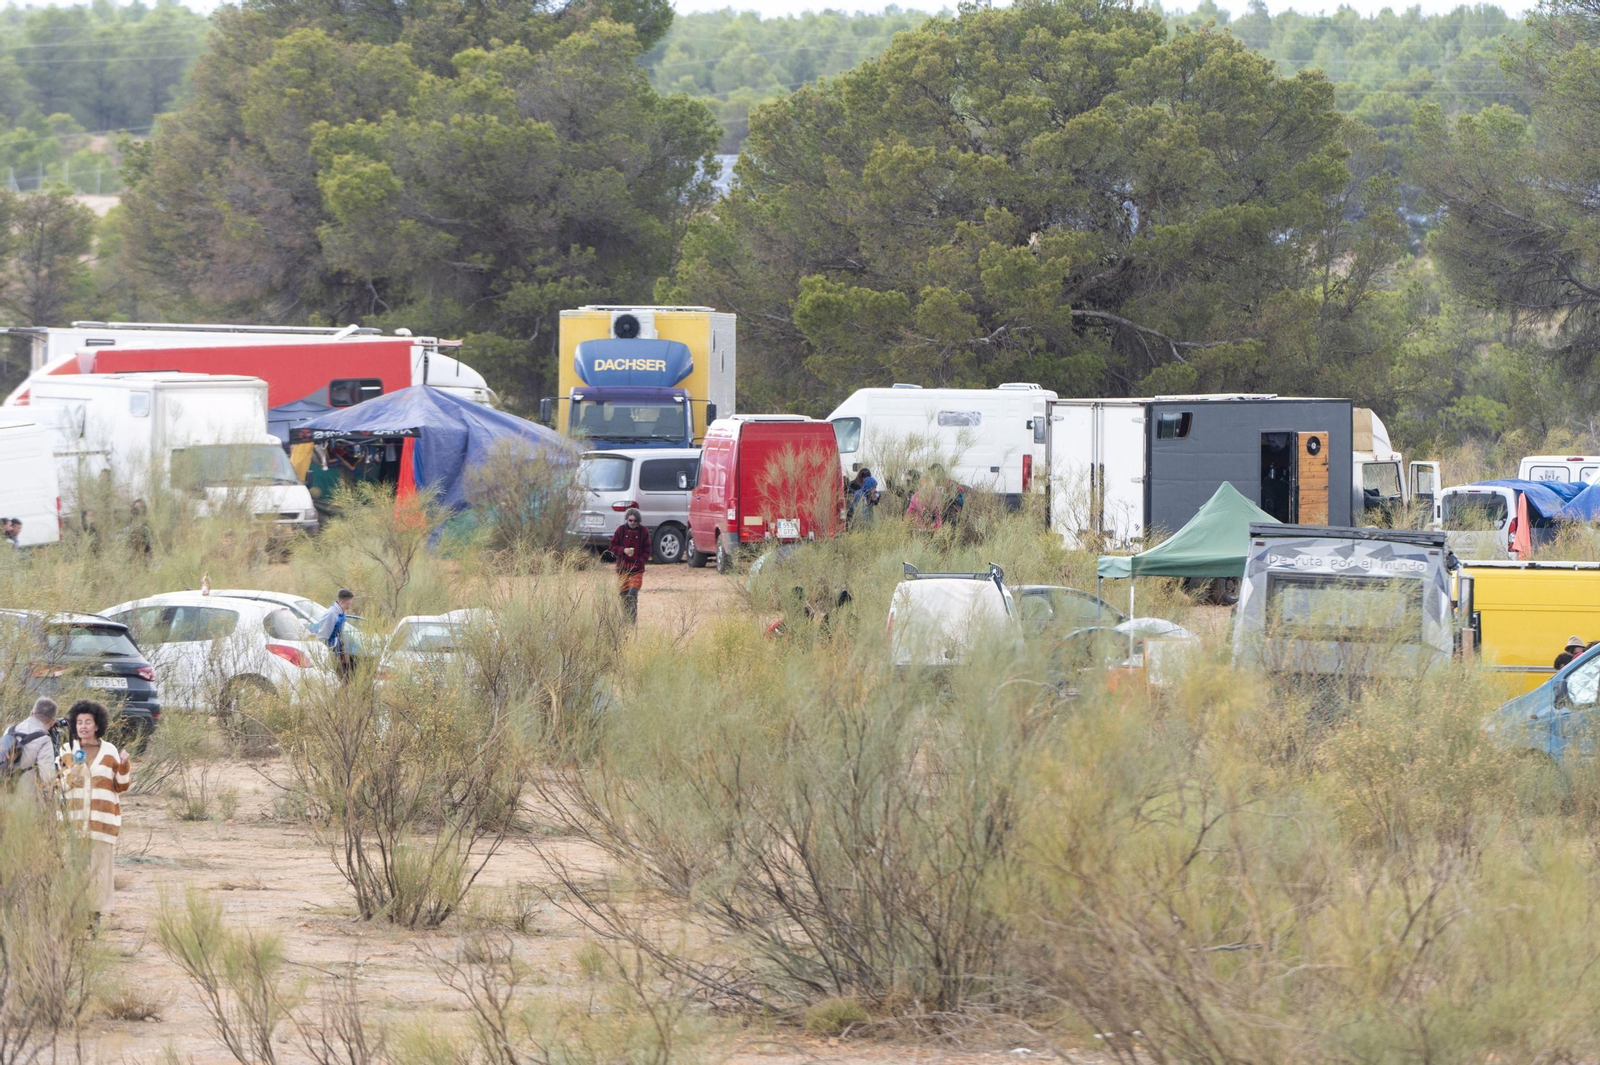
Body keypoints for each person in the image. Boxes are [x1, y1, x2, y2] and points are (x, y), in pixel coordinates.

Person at [58, 700, 131, 922]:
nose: (83, 726)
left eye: (88, 722)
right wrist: (73, 773)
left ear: (97, 725)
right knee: (74, 869)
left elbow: (121, 786)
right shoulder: (67, 750)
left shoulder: (109, 751)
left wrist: (124, 764)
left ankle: (94, 916)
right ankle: (74, 914)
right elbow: (60, 785)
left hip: (102, 821)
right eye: (79, 722)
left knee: (99, 872)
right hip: (73, 823)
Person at [2, 697, 58, 803]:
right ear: (52, 722)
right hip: (25, 801)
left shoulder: (10, 730)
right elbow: (47, 778)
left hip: (3, 796)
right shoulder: (44, 740)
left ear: (31, 713)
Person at [609, 508, 651, 624]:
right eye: (630, 520)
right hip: (622, 569)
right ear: (627, 519)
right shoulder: (621, 530)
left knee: (633, 593)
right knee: (623, 595)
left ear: (638, 521)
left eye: (635, 521)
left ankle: (632, 621)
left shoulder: (643, 531)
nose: (632, 523)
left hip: (637, 569)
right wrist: (623, 550)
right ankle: (625, 620)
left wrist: (640, 561)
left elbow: (647, 550)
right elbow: (612, 546)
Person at [314, 589, 357, 679]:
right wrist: (328, 655)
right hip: (332, 651)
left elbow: (340, 634)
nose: (351, 604)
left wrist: (344, 652)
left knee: (350, 672)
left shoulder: (340, 613)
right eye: (351, 602)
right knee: (341, 676)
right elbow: (323, 636)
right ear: (348, 601)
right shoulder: (331, 614)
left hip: (338, 650)